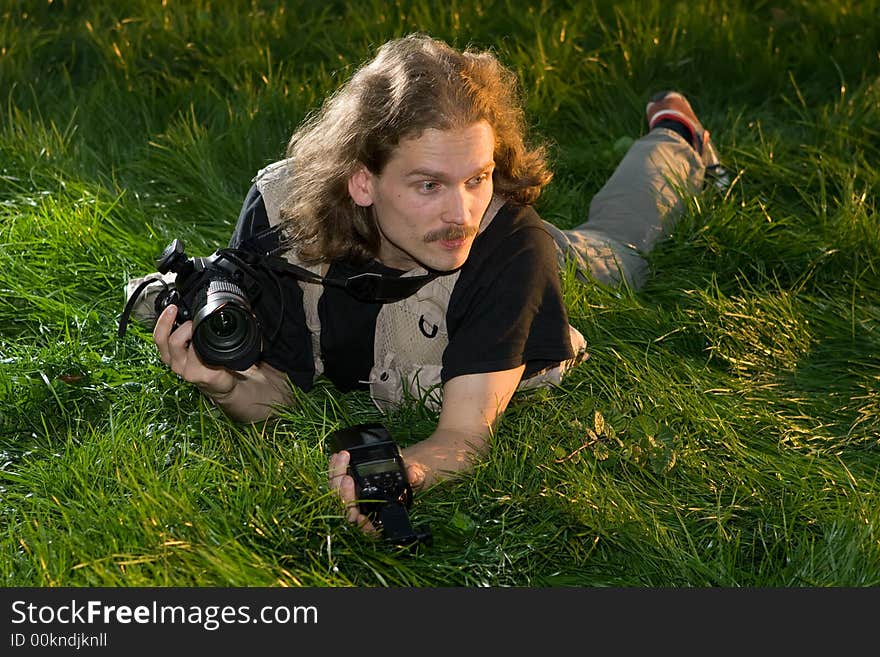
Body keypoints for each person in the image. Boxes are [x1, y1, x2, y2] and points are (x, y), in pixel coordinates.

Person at [142, 34, 725, 534]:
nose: (462, 213)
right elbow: (280, 396)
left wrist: (406, 471)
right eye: (429, 185)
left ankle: (677, 141)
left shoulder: (504, 241)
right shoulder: (281, 218)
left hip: (538, 264)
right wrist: (223, 384)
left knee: (617, 249)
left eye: (477, 177)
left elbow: (463, 439)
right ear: (361, 181)